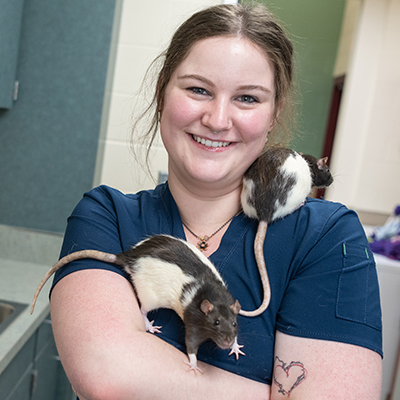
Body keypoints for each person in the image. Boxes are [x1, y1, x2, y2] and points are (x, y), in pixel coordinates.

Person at [50, 4, 382, 399]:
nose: (218, 119)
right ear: (161, 94)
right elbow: (106, 373)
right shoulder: (106, 217)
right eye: (198, 90)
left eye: (247, 98)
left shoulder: (326, 237)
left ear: (273, 114)